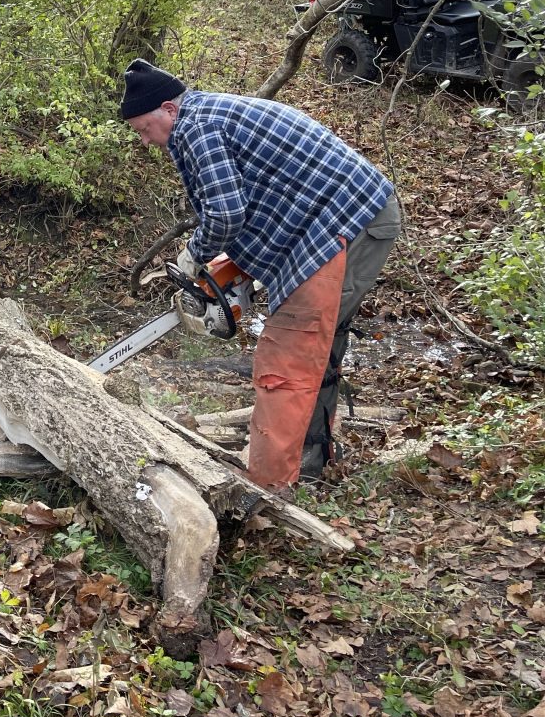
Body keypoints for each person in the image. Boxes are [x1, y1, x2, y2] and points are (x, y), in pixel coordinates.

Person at [120, 59, 401, 489]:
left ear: (168, 110)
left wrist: (194, 257)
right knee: (317, 343)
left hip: (348, 223)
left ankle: (268, 486)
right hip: (334, 221)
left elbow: (227, 212)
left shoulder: (197, 128)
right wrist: (235, 273)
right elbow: (257, 202)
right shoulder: (211, 114)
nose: (144, 140)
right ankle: (310, 458)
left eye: (143, 128)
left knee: (288, 355)